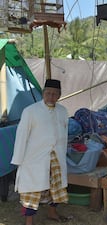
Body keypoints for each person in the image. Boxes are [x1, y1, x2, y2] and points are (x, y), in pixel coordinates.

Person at [11, 79, 70, 225]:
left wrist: (63, 152)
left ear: (59, 95)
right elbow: (21, 136)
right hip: (34, 158)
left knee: (55, 188)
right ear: (43, 94)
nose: (51, 97)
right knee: (32, 191)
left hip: (56, 157)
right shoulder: (30, 111)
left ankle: (52, 212)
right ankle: (29, 221)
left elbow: (65, 134)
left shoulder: (63, 111)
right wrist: (18, 160)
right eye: (48, 93)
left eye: (54, 94)